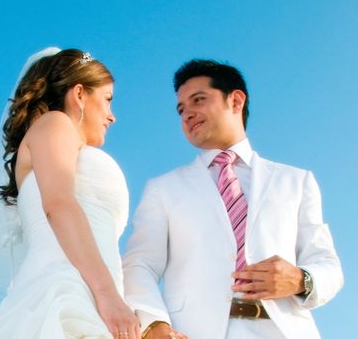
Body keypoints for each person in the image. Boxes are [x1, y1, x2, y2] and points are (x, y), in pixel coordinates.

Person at [122, 59, 343, 339]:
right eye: (181, 109)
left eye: (198, 100)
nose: (187, 114)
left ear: (236, 100)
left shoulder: (296, 181)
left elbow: (328, 265)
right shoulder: (163, 189)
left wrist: (300, 279)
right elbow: (139, 264)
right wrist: (153, 324)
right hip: (195, 332)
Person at [0, 47, 140, 339]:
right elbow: (59, 204)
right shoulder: (54, 123)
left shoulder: (64, 140)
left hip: (99, 298)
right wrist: (107, 296)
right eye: (108, 100)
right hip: (67, 293)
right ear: (78, 94)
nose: (112, 117)